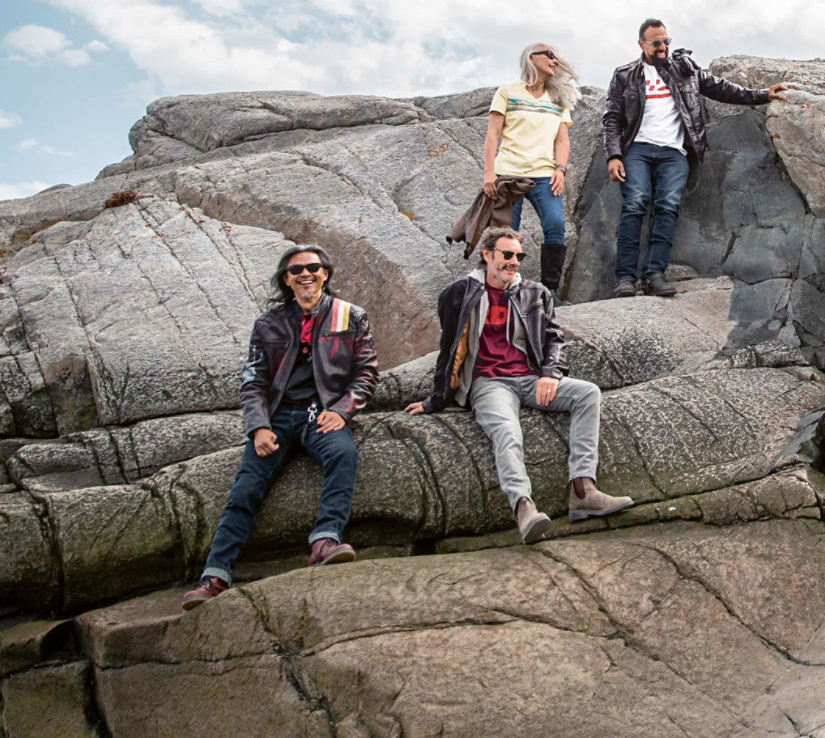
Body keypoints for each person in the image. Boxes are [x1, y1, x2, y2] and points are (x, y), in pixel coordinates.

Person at [405, 226, 633, 541]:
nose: (514, 262)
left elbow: (554, 339)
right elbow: (450, 349)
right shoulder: (458, 293)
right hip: (488, 383)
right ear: (487, 255)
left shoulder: (534, 293)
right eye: (507, 254)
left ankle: (583, 491)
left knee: (587, 394)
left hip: (528, 378)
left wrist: (549, 373)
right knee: (508, 430)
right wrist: (435, 399)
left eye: (519, 256)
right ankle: (523, 508)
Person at [182, 245, 378, 609]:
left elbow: (366, 372)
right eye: (296, 270)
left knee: (343, 455)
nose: (305, 274)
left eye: (313, 267)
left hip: (321, 414)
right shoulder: (268, 324)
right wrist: (258, 427)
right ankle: (215, 576)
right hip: (277, 418)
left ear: (325, 274)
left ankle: (325, 540)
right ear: (286, 280)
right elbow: (253, 382)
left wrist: (342, 411)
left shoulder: (349, 315)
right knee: (245, 488)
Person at [602, 18, 788, 298]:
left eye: (666, 41)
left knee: (667, 206)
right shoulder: (624, 74)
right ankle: (625, 278)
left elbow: (721, 88)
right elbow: (612, 117)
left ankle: (654, 275)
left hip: (674, 151)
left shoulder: (684, 69)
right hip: (637, 148)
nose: (663, 47)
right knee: (635, 203)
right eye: (656, 43)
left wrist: (761, 95)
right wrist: (613, 156)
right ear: (642, 44)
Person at [483, 42, 579, 295]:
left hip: (544, 176)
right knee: (505, 236)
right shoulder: (507, 92)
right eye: (549, 55)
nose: (554, 60)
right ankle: (501, 291)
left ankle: (549, 292)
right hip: (508, 175)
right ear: (531, 58)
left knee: (555, 225)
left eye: (556, 57)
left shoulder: (558, 99)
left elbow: (562, 140)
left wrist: (560, 169)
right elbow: (492, 134)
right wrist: (489, 173)